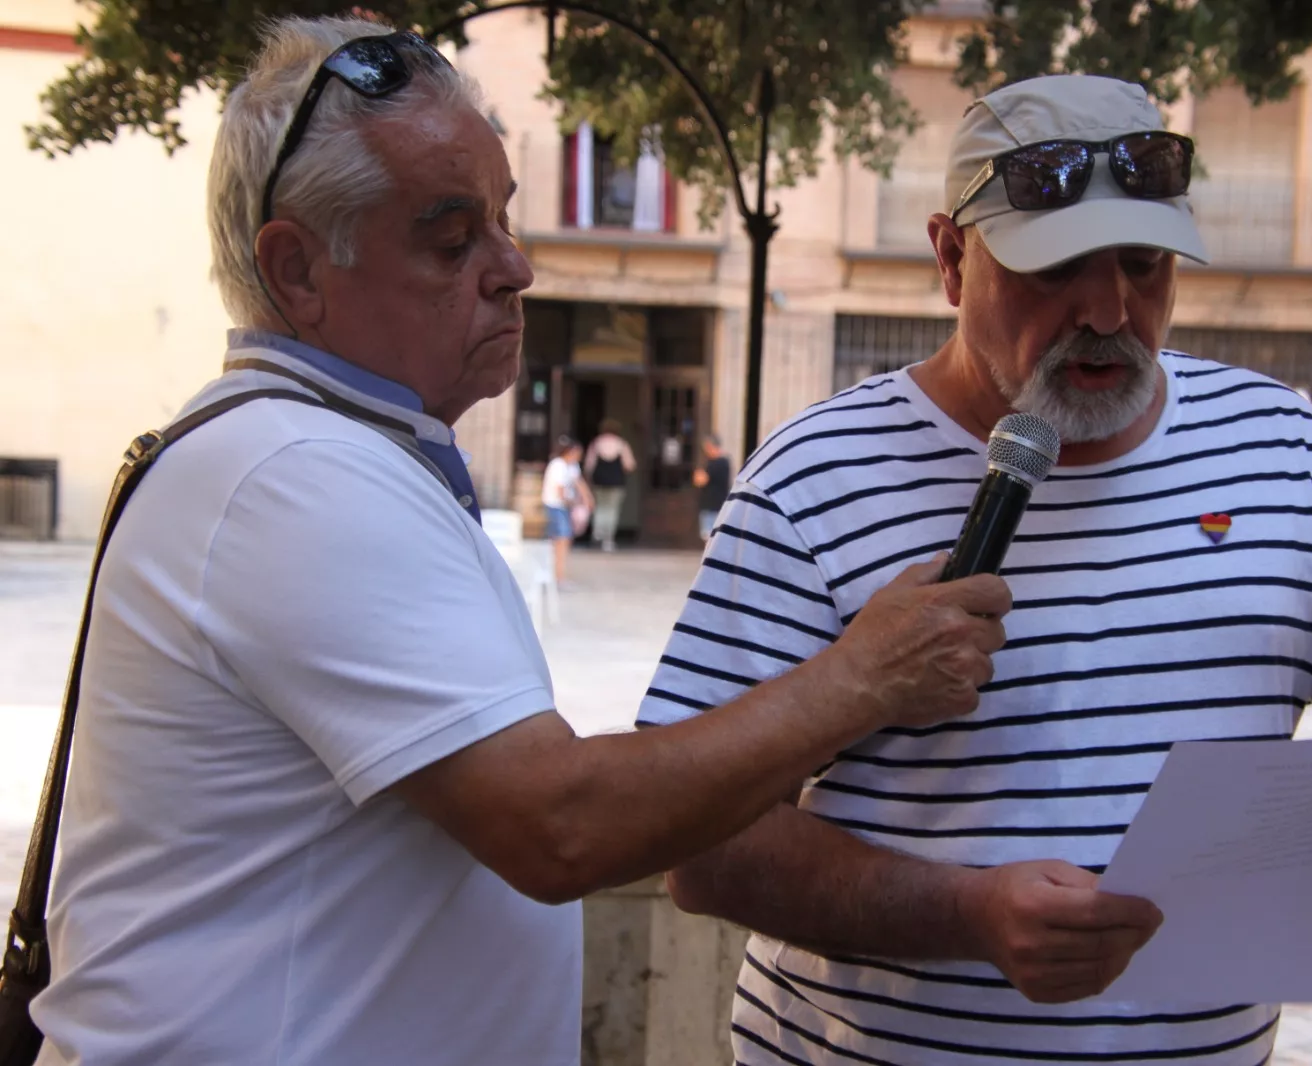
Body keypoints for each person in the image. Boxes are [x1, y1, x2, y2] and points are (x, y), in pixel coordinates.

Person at [26, 17, 1013, 1066]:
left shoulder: (318, 456)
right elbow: (559, 825)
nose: (517, 269)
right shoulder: (298, 474)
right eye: (453, 240)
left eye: (503, 221)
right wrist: (861, 678)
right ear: (297, 271)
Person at [638, 74, 1312, 1066]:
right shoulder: (812, 478)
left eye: (1143, 263)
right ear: (952, 259)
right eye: (1056, 269)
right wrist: (965, 913)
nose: (1107, 309)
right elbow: (702, 849)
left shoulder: (1288, 453)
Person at [543, 435, 591, 583]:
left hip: (565, 507)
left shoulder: (572, 466)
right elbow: (560, 490)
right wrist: (575, 502)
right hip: (555, 506)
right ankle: (557, 575)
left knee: (565, 539)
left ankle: (560, 574)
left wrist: (588, 498)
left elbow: (579, 482)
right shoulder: (558, 465)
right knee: (560, 539)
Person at [583, 418, 636, 551]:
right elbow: (629, 465)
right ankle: (608, 539)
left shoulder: (596, 443)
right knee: (612, 510)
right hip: (616, 481)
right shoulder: (621, 444)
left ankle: (597, 534)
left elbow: (589, 466)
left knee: (599, 507)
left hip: (599, 481)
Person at [691, 432, 731, 542]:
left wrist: (699, 475)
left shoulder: (718, 463)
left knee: (709, 537)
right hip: (716, 505)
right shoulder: (722, 462)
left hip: (712, 506)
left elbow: (700, 480)